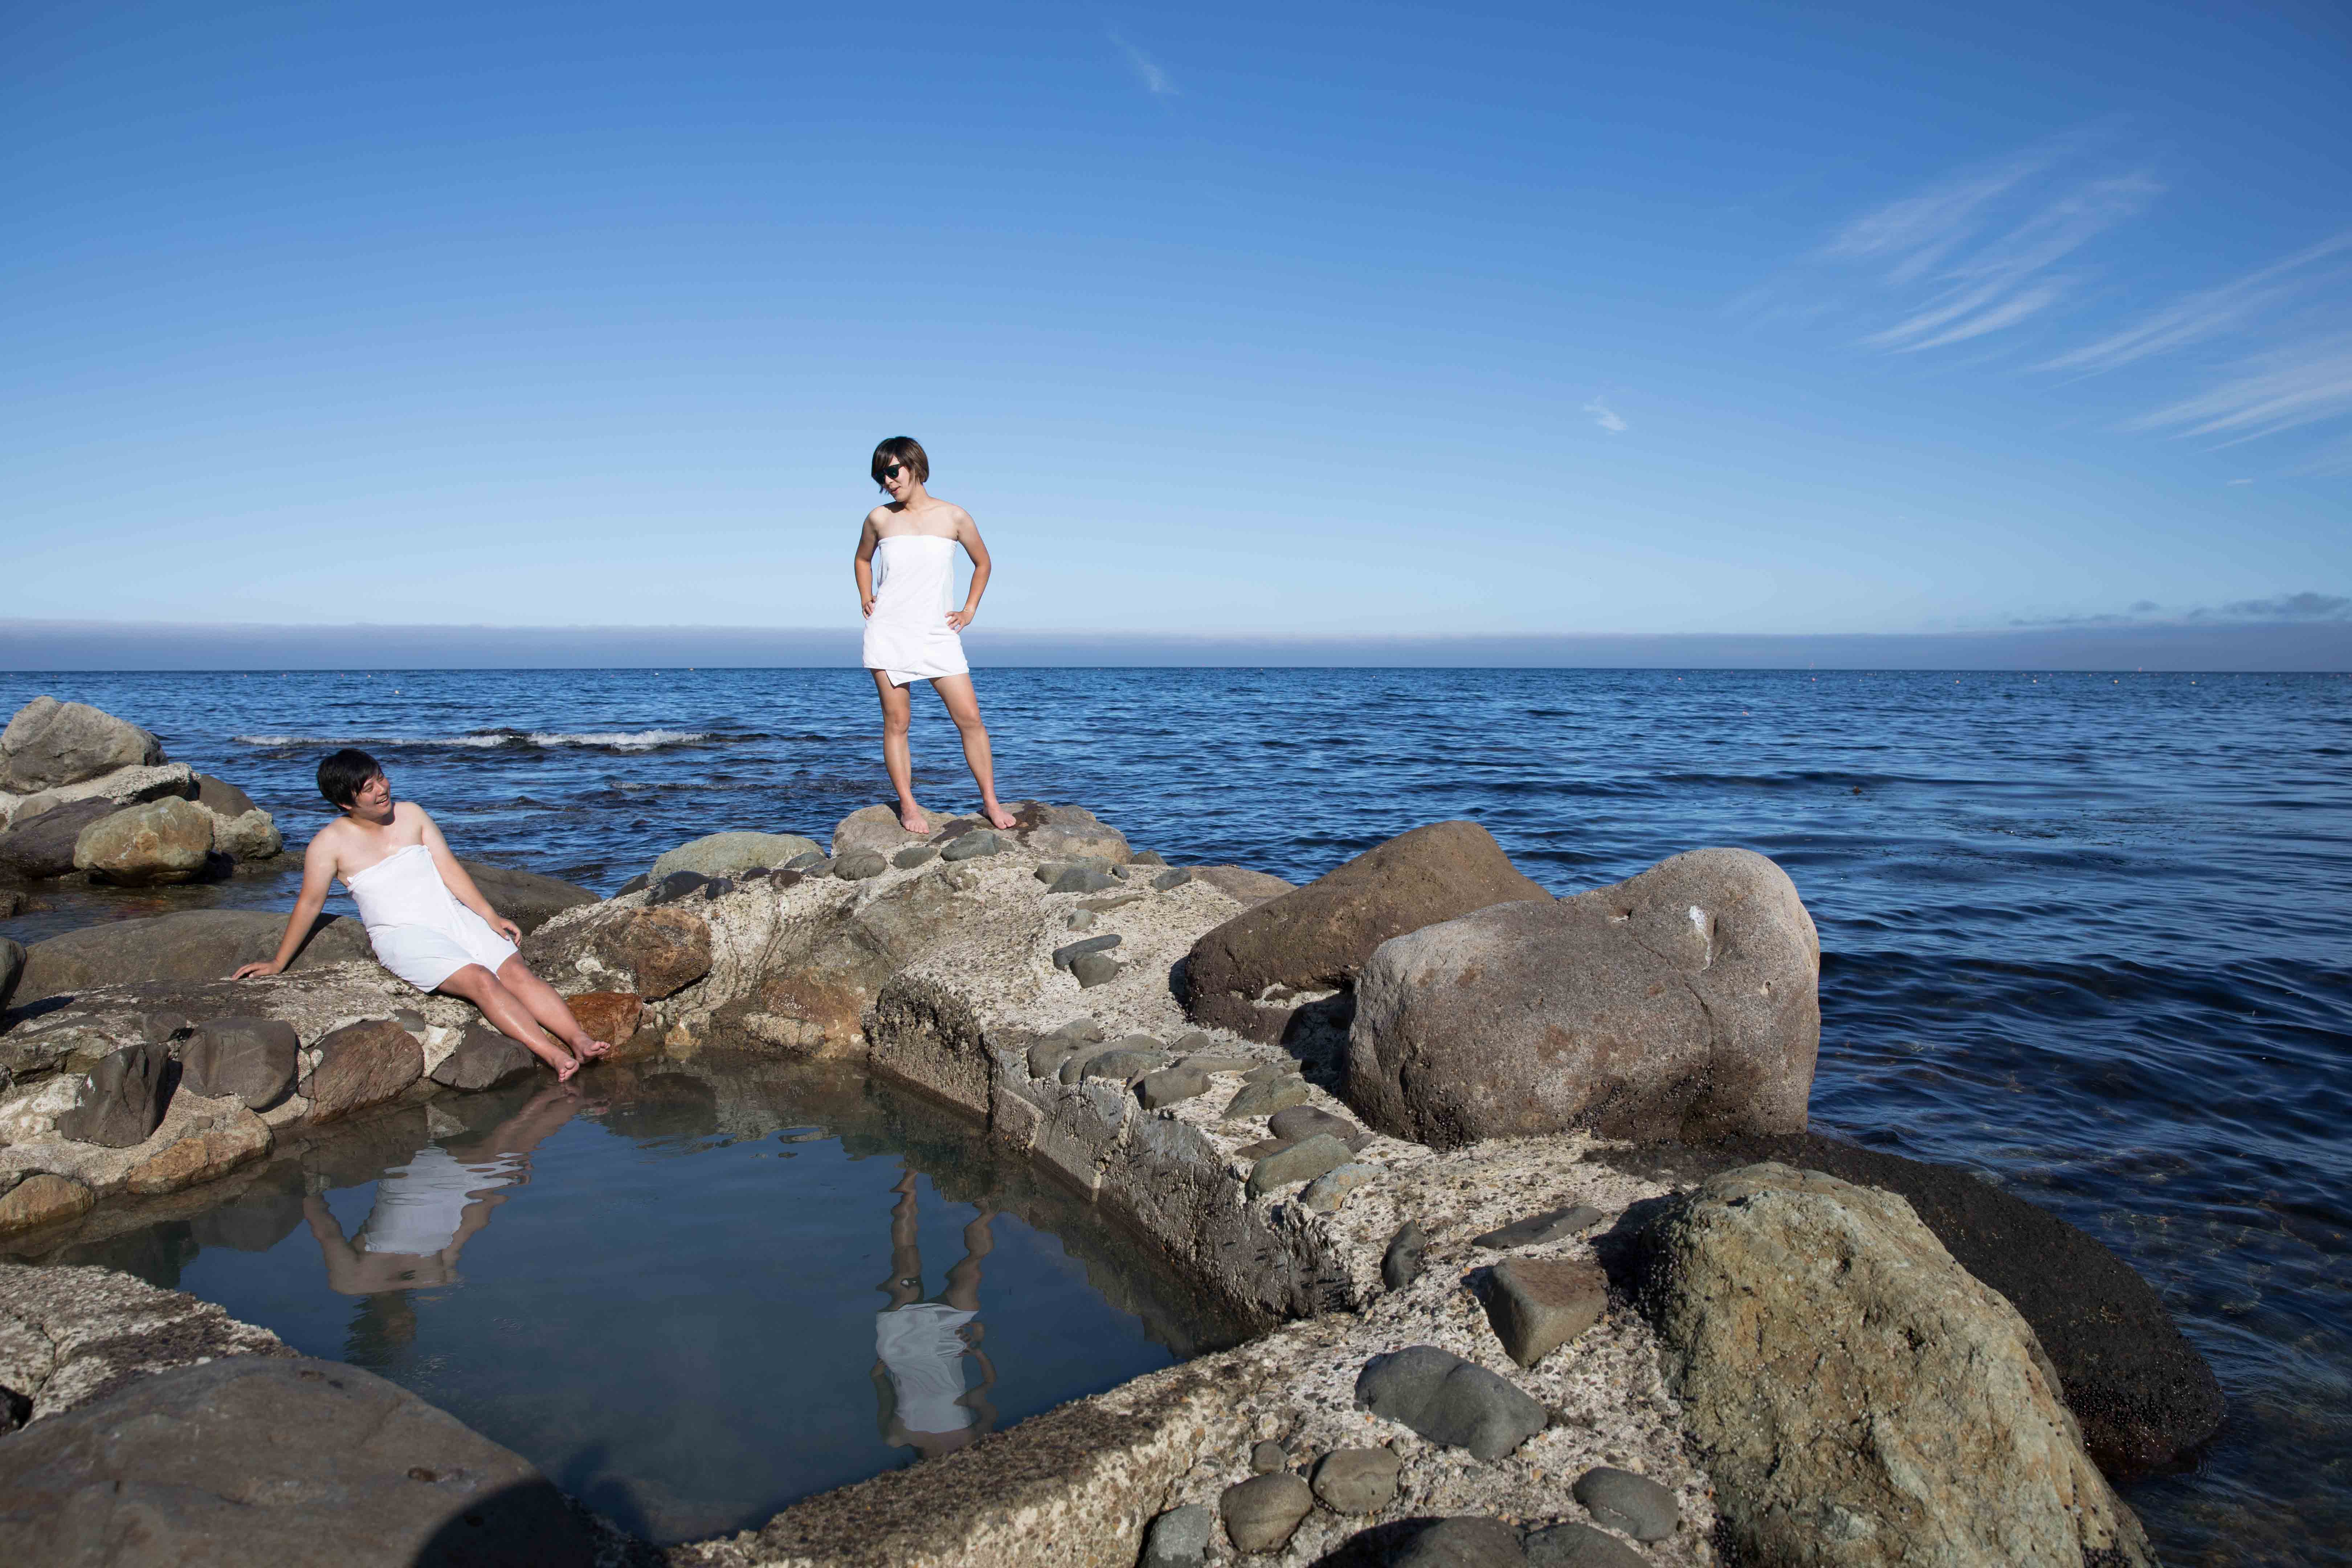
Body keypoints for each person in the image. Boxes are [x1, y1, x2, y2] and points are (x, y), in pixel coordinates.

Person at [233, 748, 607, 1082]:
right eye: (368, 788)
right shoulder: (328, 845)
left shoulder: (411, 814)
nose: (382, 789)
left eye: (380, 777)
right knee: (481, 980)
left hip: (452, 918)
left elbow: (449, 868)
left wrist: (489, 916)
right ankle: (553, 1055)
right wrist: (279, 962)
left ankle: (580, 1041)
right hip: (404, 937)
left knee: (515, 972)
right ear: (346, 803)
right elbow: (310, 904)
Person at [853, 436, 1020, 834]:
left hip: (937, 633)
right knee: (897, 723)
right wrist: (866, 597)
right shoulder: (879, 518)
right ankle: (909, 807)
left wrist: (969, 610)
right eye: (882, 475)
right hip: (890, 631)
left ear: (914, 466)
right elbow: (862, 558)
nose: (889, 481)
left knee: (971, 719)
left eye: (893, 471)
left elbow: (983, 563)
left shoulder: (954, 517)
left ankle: (991, 803)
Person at [302, 1081, 579, 1297]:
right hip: (459, 1189)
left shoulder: (352, 1283)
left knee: (509, 1150)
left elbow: (324, 1225)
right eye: (406, 1331)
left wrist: (304, 1178)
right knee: (520, 1148)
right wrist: (500, 1188)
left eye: (398, 1331)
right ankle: (564, 1090)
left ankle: (557, 1091)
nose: (404, 1326)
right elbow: (464, 1228)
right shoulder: (435, 1282)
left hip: (420, 1181)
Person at [871, 1169, 999, 1459]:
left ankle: (908, 1192)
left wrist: (880, 1372)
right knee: (973, 1268)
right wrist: (977, 1350)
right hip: (945, 1344)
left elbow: (881, 1388)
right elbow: (988, 1389)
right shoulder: (973, 1439)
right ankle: (985, 1204)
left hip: (906, 1346)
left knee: (908, 1262)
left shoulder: (897, 1436)